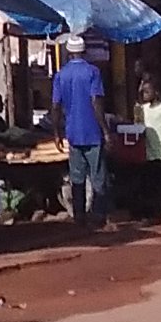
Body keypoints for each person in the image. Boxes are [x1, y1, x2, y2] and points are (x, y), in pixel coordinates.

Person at [50, 41, 109, 229]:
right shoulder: (93, 72)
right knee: (98, 176)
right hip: (92, 132)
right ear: (84, 51)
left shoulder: (61, 75)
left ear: (68, 52)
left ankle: (79, 216)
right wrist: (105, 130)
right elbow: (96, 102)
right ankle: (99, 215)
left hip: (73, 133)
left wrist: (56, 132)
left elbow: (55, 106)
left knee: (77, 177)